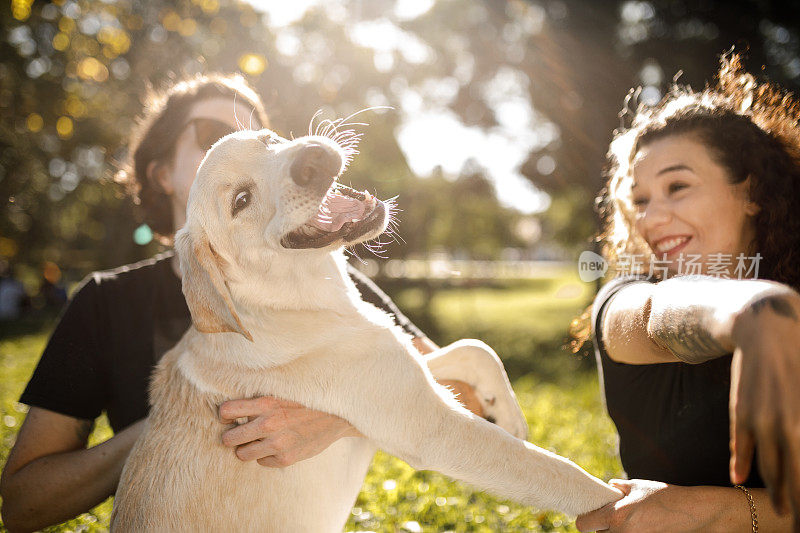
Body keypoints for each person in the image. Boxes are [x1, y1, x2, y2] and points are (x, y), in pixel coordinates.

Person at [0, 73, 482, 532]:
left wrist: (338, 419)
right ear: (162, 172)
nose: (245, 153)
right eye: (215, 136)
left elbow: (474, 402)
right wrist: (166, 428)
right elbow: (22, 505)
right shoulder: (106, 302)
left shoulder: (327, 282)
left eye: (262, 139)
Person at [575, 54, 800, 532]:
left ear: (752, 192)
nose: (651, 219)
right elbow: (663, 315)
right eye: (640, 200)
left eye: (677, 186)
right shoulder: (624, 302)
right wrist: (751, 311)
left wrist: (715, 511)